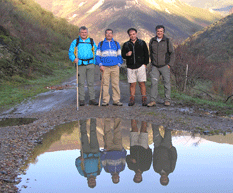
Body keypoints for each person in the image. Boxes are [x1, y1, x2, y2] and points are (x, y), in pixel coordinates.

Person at [68, 26, 98, 106]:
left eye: (85, 32)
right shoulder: (76, 42)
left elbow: (96, 51)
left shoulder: (91, 41)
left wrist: (94, 62)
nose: (84, 34)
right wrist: (74, 59)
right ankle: (82, 99)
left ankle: (92, 99)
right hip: (80, 64)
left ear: (87, 33)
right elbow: (70, 52)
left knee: (91, 82)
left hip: (90, 64)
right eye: (82, 32)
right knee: (81, 82)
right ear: (79, 33)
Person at [147, 25, 175, 107]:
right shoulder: (152, 41)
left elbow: (172, 53)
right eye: (158, 31)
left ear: (163, 32)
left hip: (165, 66)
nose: (159, 33)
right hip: (155, 66)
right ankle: (152, 101)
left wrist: (170, 64)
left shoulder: (167, 41)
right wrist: (152, 63)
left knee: (166, 83)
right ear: (156, 32)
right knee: (153, 83)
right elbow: (151, 53)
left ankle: (167, 100)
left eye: (161, 31)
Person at [122, 28, 149, 106]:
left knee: (142, 83)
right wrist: (127, 55)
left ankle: (144, 99)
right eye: (131, 34)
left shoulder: (142, 43)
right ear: (129, 35)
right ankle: (132, 99)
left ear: (136, 34)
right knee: (132, 84)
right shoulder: (126, 44)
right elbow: (123, 55)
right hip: (130, 66)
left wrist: (145, 64)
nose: (132, 36)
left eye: (134, 34)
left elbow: (146, 54)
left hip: (140, 66)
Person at [96, 29, 123, 106]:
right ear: (105, 34)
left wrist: (119, 64)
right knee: (105, 84)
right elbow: (97, 56)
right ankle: (105, 101)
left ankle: (116, 100)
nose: (109, 35)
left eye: (110, 33)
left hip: (115, 67)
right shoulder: (101, 44)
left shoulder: (116, 44)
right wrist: (100, 65)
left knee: (115, 84)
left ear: (112, 35)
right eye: (107, 33)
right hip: (105, 67)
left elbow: (119, 56)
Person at [75, 119, 102, 188]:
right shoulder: (99, 172)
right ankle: (93, 118)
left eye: (90, 183)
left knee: (83, 134)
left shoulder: (83, 173)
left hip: (85, 152)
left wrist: (80, 160)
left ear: (88, 182)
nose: (92, 181)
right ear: (95, 181)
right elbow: (101, 162)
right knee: (93, 133)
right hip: (95, 151)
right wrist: (100, 154)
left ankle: (82, 119)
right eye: (93, 182)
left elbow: (77, 163)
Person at [100, 118, 127, 184]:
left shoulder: (107, 170)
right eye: (116, 179)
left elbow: (103, 160)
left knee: (107, 133)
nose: (115, 178)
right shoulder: (122, 168)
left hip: (109, 149)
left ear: (112, 178)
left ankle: (107, 118)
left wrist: (105, 151)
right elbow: (123, 158)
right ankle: (117, 118)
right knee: (117, 132)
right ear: (118, 177)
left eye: (114, 179)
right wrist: (123, 150)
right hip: (118, 148)